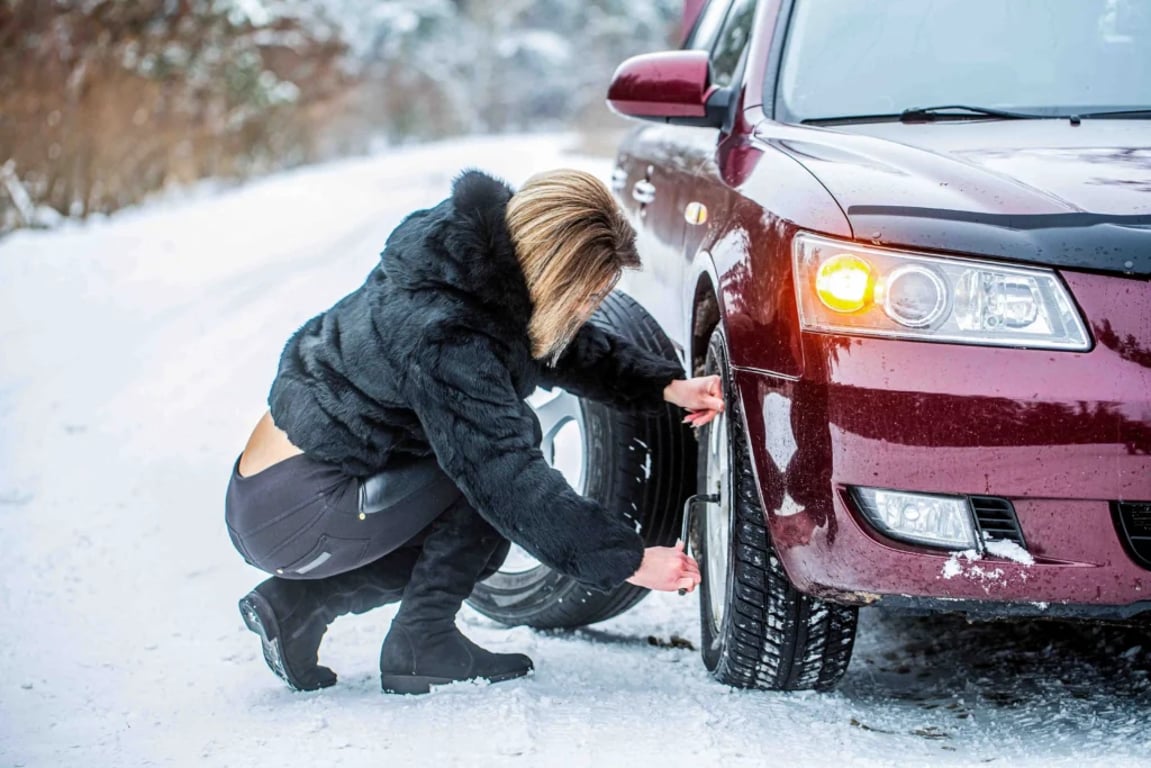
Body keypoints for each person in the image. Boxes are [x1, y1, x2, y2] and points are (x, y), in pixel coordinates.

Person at [225, 168, 723, 696]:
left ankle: (297, 610)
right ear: (553, 273)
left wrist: (666, 385)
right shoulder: (447, 335)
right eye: (585, 296)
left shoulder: (469, 260)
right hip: (298, 510)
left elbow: (545, 343)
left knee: (481, 521)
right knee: (494, 481)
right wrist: (632, 561)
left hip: (275, 488)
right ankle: (423, 642)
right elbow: (508, 479)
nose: (587, 310)